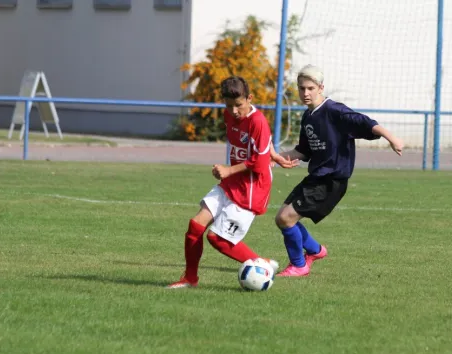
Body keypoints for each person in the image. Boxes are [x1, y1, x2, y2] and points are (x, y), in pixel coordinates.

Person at [273, 65, 404, 277]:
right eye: (301, 88)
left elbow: (366, 123)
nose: (305, 93)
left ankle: (299, 265)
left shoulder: (334, 111)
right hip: (316, 178)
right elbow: (303, 151)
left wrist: (392, 138)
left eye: (310, 88)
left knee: (287, 218)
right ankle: (315, 251)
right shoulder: (308, 117)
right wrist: (277, 158)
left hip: (331, 181)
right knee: (282, 218)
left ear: (320, 87)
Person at [167, 76, 290, 288]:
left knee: (217, 239)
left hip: (252, 188)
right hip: (233, 181)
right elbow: (260, 144)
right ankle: (190, 279)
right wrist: (271, 152)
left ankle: (262, 265)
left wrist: (228, 169)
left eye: (239, 105)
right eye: (228, 105)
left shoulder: (257, 121)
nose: (233, 111)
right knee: (196, 225)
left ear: (250, 98)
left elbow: (259, 165)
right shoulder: (229, 115)